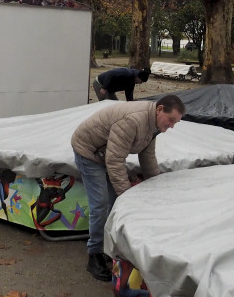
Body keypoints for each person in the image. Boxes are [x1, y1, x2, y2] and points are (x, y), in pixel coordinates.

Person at [71, 95, 185, 281]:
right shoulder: (133, 120)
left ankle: (110, 246)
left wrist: (158, 188)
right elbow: (114, 161)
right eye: (171, 120)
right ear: (159, 109)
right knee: (100, 203)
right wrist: (127, 196)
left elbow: (148, 158)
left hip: (106, 153)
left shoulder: (153, 125)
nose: (172, 126)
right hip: (89, 151)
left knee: (115, 202)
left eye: (176, 123)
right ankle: (94, 255)